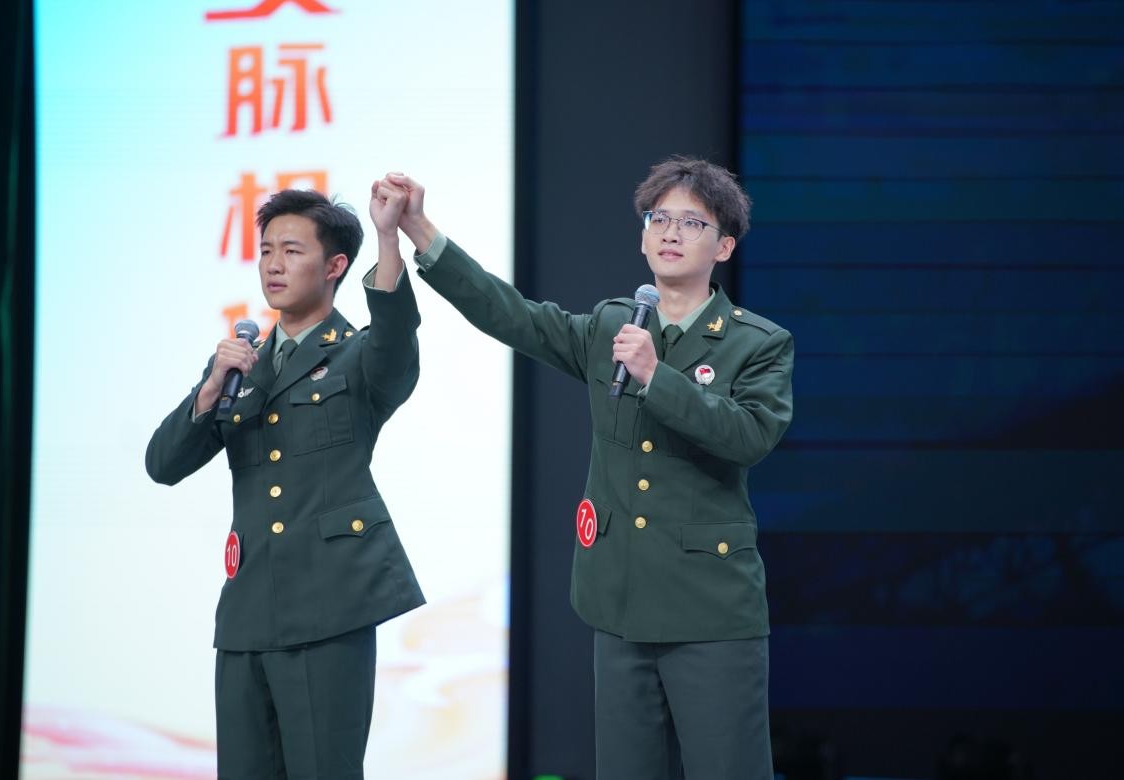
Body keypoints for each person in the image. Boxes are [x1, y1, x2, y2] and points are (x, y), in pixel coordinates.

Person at [381, 158, 793, 779]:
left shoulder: (757, 342)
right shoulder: (612, 325)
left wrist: (657, 375)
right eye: (658, 219)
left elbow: (750, 436)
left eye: (691, 223)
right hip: (617, 603)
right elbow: (511, 315)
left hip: (710, 611)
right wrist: (418, 229)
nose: (670, 232)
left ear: (724, 246)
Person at [145, 181, 425, 779]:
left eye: (292, 251)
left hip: (330, 610)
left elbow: (397, 333)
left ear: (335, 266)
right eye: (267, 250)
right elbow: (162, 465)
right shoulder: (240, 367)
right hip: (247, 614)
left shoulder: (359, 355)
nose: (273, 264)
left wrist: (388, 238)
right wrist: (209, 390)